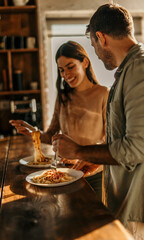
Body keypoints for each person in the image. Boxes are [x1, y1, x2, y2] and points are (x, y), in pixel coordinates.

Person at [52, 3, 144, 239]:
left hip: (137, 207)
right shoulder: (128, 70)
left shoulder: (138, 70)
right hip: (124, 199)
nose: (95, 52)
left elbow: (135, 149)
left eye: (93, 45)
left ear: (101, 38)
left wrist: (80, 151)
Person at [10, 40, 109, 200]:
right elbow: (51, 136)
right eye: (61, 70)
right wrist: (33, 132)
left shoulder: (104, 94)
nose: (66, 74)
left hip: (93, 175)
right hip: (64, 173)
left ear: (84, 62)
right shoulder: (63, 97)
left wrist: (83, 156)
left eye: (70, 67)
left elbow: (109, 143)